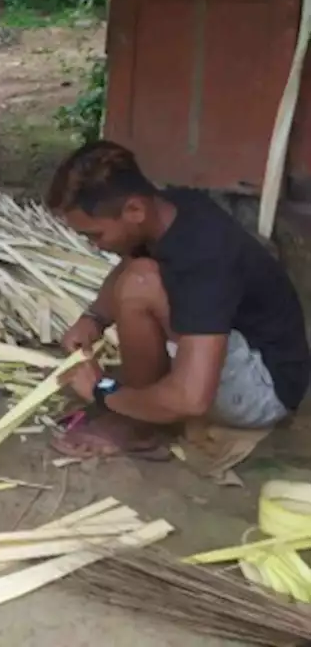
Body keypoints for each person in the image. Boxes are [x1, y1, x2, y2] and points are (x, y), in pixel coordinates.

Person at [45, 140, 309, 459]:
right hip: (241, 350)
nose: (95, 246)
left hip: (264, 390)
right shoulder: (168, 209)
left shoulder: (205, 257)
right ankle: (137, 407)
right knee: (138, 273)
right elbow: (131, 258)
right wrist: (94, 318)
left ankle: (135, 428)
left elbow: (191, 398)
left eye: (96, 235)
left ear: (134, 210)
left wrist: (105, 393)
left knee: (141, 283)